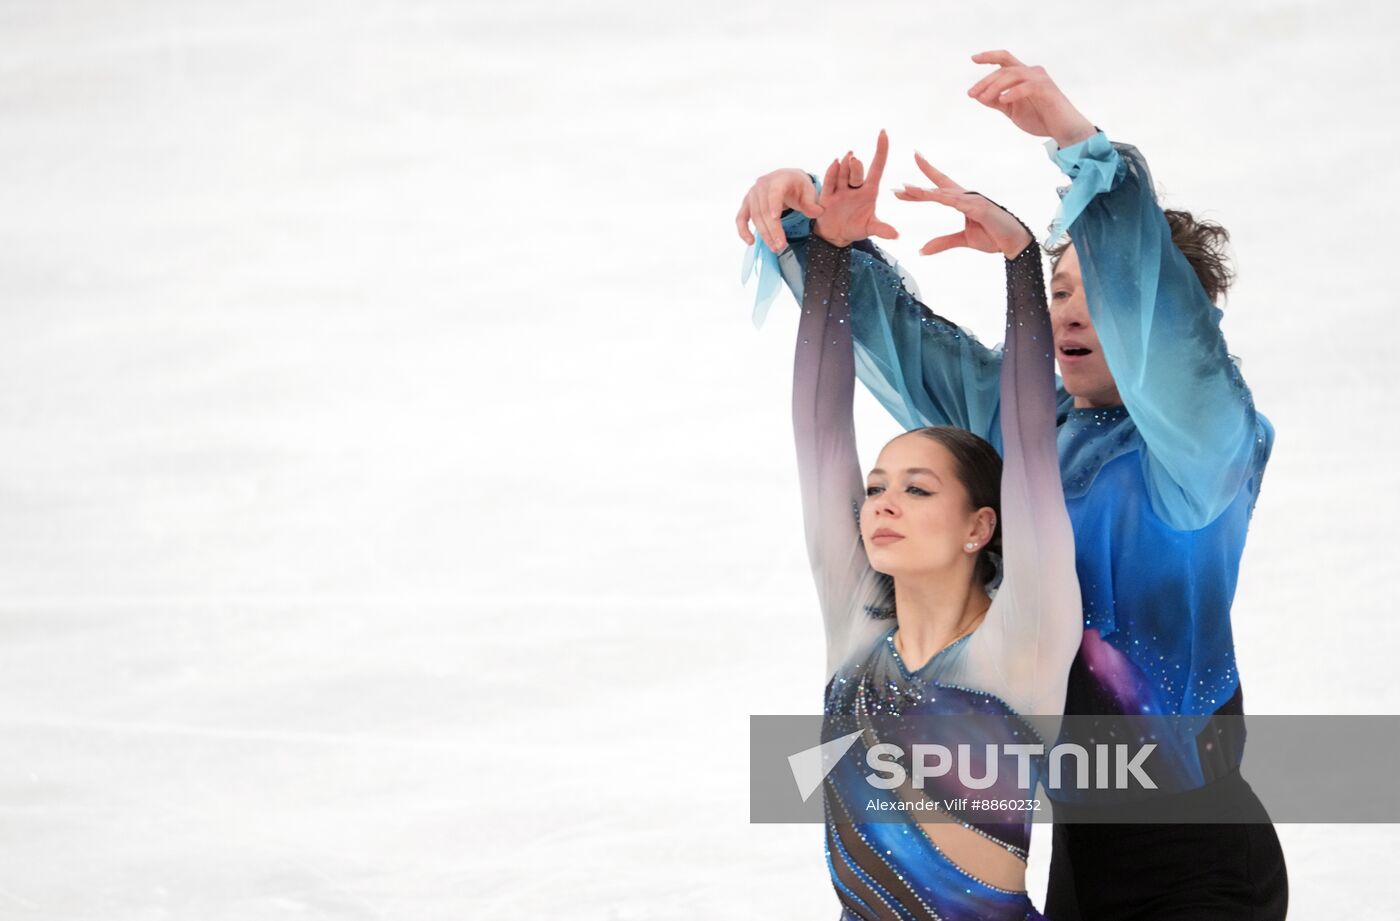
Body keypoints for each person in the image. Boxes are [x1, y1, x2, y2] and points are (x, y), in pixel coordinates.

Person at [737, 52, 1287, 919]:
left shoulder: (1208, 445)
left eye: (1101, 294)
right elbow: (904, 344)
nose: (1069, 309)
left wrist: (1078, 145)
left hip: (1196, 855)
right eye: (1061, 288)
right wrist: (814, 230)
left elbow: (1176, 350)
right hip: (1071, 846)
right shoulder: (1029, 421)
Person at [765, 130, 1082, 920]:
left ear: (980, 524)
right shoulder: (857, 625)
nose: (881, 503)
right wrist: (831, 254)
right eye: (876, 488)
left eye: (916, 488)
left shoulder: (1023, 639)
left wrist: (1020, 267)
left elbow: (1034, 446)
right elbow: (820, 432)